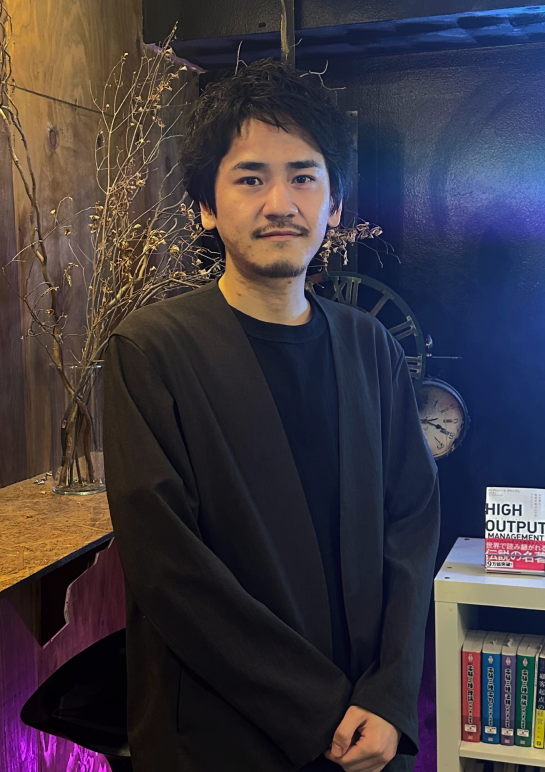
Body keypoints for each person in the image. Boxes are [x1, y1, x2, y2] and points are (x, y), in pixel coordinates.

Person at [103, 59, 439, 772]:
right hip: (221, 734)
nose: (280, 202)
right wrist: (318, 710)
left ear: (334, 205)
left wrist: (388, 695)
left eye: (304, 177)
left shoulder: (370, 346)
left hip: (367, 731)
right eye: (251, 179)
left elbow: (411, 524)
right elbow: (168, 569)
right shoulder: (152, 350)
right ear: (206, 206)